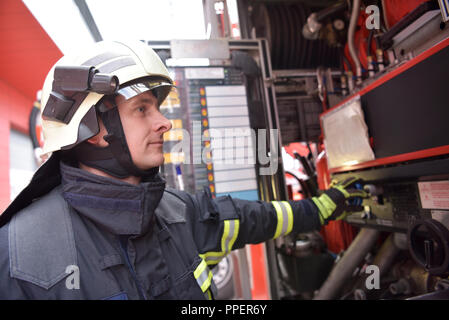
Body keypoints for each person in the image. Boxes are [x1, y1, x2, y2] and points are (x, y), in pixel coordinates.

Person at [0, 41, 366, 300]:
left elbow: (259, 218)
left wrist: (326, 205)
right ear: (93, 130)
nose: (163, 122)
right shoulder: (17, 255)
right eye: (142, 109)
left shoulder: (176, 211)